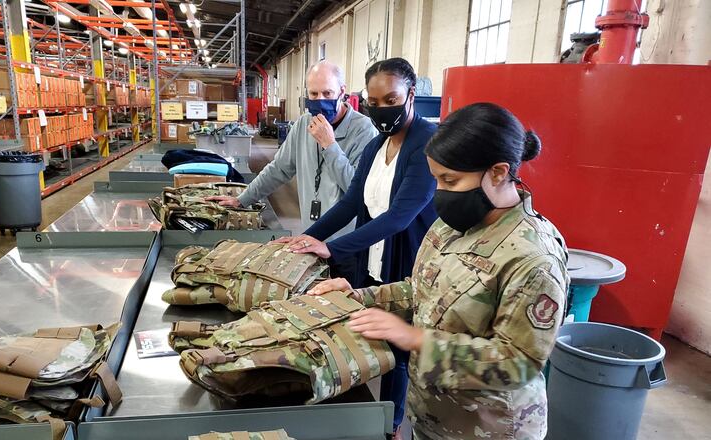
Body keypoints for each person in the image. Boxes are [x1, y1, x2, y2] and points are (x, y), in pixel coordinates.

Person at [308, 103, 570, 440]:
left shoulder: (533, 258)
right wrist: (359, 297)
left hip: (489, 429)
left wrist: (415, 338)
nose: (440, 192)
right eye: (436, 180)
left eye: (450, 180)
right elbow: (420, 289)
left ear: (498, 172)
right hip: (433, 416)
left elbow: (517, 361)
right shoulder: (451, 225)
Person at [276, 58, 438, 436]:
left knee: (400, 352)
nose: (383, 110)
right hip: (374, 258)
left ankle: (394, 425)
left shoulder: (426, 145)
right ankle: (373, 413)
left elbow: (399, 217)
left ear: (411, 95)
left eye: (392, 99)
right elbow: (352, 203)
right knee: (374, 339)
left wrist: (333, 249)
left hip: (407, 259)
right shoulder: (377, 145)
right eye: (374, 101)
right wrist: (312, 236)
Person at [206, 60, 378, 249]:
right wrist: (242, 199)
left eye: (327, 93)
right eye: (313, 93)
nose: (320, 99)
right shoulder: (304, 124)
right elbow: (278, 169)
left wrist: (330, 145)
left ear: (342, 91)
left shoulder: (364, 130)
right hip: (311, 236)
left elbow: (357, 190)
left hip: (346, 243)